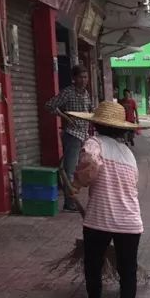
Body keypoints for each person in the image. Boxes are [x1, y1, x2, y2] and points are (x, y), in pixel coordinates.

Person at [68, 101, 145, 298]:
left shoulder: (94, 143)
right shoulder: (128, 154)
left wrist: (77, 183)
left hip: (99, 219)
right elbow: (132, 186)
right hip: (130, 221)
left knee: (93, 265)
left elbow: (89, 164)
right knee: (128, 270)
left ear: (96, 124)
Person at [45, 65, 94, 211]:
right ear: (74, 78)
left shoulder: (86, 94)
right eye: (80, 77)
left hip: (84, 135)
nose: (83, 80)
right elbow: (49, 105)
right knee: (70, 170)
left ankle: (73, 198)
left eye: (85, 77)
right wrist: (64, 116)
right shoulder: (68, 92)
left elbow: (89, 110)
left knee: (82, 169)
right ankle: (69, 203)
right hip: (72, 135)